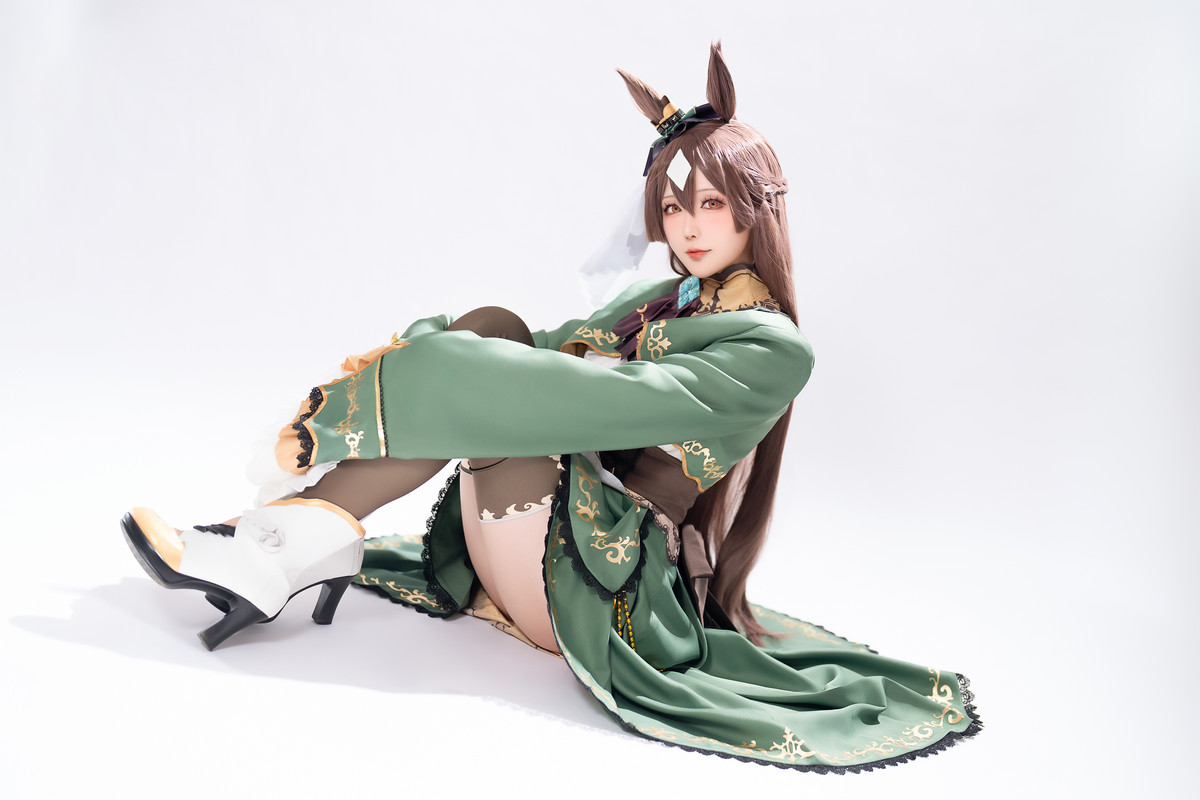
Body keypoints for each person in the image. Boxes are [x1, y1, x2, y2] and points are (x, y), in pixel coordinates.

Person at [121, 43, 981, 771]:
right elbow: (534, 345)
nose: (688, 226)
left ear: (757, 207)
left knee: (492, 373)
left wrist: (431, 368)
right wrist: (446, 349)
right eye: (673, 206)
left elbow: (614, 401)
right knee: (494, 329)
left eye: (712, 204)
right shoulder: (660, 303)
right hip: (522, 546)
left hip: (600, 586)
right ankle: (293, 539)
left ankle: (285, 546)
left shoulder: (775, 348)